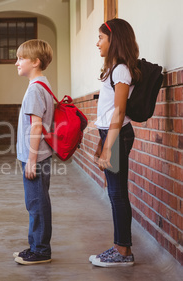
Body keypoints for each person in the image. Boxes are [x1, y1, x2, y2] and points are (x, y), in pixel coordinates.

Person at [90, 18, 139, 267]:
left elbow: (119, 112)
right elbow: (107, 113)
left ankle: (123, 251)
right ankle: (120, 246)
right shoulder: (112, 70)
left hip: (118, 135)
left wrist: (108, 146)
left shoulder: (121, 70)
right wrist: (101, 144)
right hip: (110, 134)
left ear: (114, 40)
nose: (97, 42)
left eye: (101, 38)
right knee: (114, 192)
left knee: (118, 194)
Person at [13, 39, 54, 265]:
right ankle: (35, 246)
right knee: (35, 202)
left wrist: (30, 160)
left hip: (35, 157)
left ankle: (41, 250)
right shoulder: (40, 86)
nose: (16, 62)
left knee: (37, 203)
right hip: (38, 156)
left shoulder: (35, 90)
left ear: (36, 62)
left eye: (21, 58)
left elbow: (36, 126)